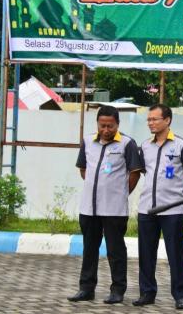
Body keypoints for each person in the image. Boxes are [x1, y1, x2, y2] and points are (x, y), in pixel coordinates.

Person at [68, 105, 143, 304]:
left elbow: (134, 172)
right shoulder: (87, 141)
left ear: (117, 124)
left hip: (114, 209)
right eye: (102, 126)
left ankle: (118, 290)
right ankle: (86, 289)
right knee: (89, 248)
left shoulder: (127, 143)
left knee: (115, 250)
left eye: (110, 126)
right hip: (89, 208)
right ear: (98, 124)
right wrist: (97, 186)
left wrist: (121, 193)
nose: (106, 130)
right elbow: (83, 169)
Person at [133, 104, 183, 309]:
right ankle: (147, 292)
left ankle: (180, 295)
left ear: (167, 120)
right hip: (147, 208)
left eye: (155, 119)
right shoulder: (145, 146)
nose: (151, 123)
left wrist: (175, 193)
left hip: (173, 210)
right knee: (146, 252)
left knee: (175, 253)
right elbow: (145, 172)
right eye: (149, 120)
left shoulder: (182, 146)